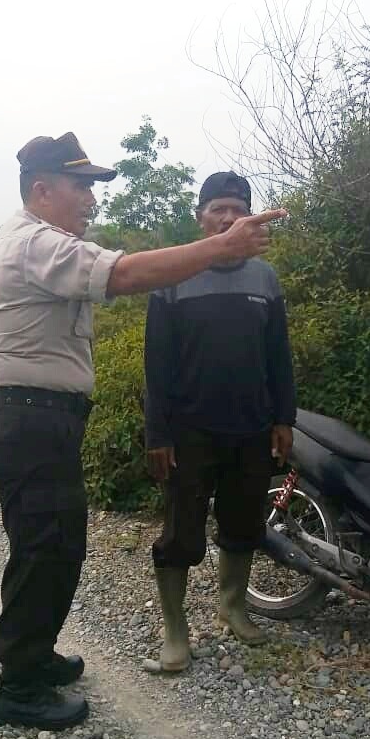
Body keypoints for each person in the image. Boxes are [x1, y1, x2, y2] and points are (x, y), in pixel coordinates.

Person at [0, 133, 284, 730]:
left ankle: (35, 658)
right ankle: (19, 687)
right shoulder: (35, 243)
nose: (91, 198)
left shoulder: (39, 242)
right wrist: (219, 247)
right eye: (81, 185)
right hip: (29, 416)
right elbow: (129, 274)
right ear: (42, 190)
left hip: (38, 417)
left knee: (55, 544)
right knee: (45, 548)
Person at [143, 172, 296, 672]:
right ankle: (175, 630)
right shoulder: (173, 276)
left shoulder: (265, 279)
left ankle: (232, 605)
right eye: (218, 210)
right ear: (200, 217)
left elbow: (279, 358)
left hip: (251, 427)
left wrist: (283, 418)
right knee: (180, 534)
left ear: (249, 217)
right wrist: (158, 432)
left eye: (237, 209)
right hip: (189, 431)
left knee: (242, 524)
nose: (228, 217)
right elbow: (157, 364)